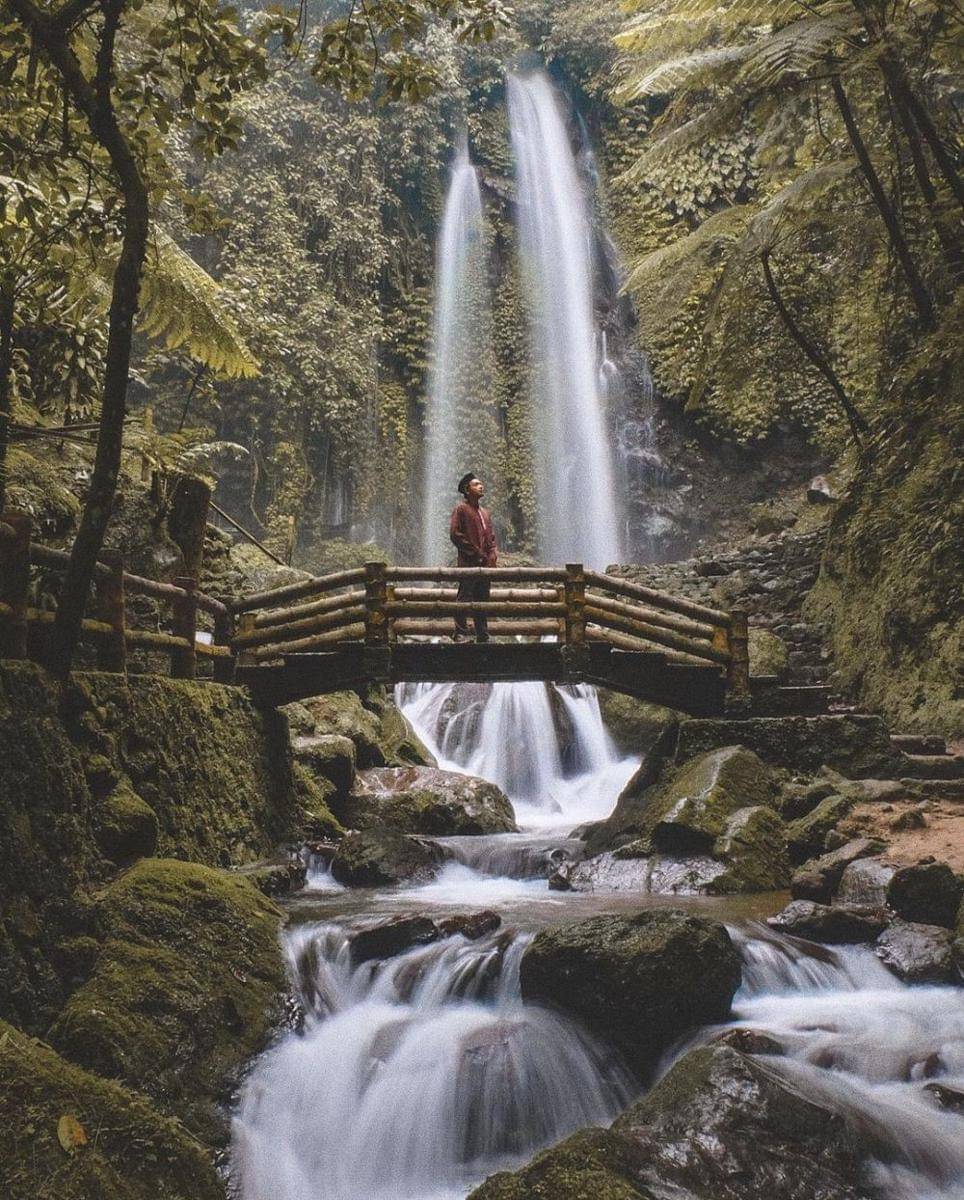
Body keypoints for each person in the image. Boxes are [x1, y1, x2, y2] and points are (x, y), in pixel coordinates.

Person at [449, 472, 497, 642]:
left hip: (485, 564)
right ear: (467, 490)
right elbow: (455, 534)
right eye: (476, 484)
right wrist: (475, 552)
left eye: (481, 483)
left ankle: (482, 633)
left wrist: (492, 555)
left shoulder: (485, 513)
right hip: (469, 562)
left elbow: (491, 538)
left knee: (482, 597)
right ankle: (459, 632)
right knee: (464, 596)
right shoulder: (461, 509)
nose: (481, 486)